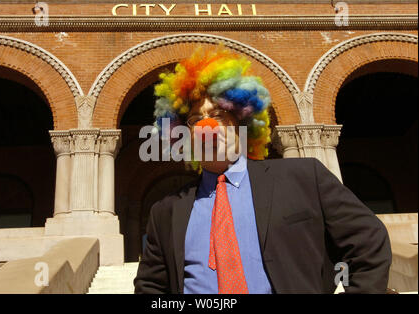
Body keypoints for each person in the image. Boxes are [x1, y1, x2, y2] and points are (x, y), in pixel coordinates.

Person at [134, 45, 392, 294]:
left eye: (219, 115)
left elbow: (367, 240)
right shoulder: (166, 211)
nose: (207, 126)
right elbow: (150, 287)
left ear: (242, 122)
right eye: (195, 120)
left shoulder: (304, 178)